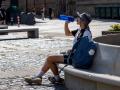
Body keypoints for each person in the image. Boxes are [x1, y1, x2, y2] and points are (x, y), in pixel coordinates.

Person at [24, 12, 92, 85]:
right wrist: (66, 23)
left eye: (79, 18)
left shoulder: (86, 33)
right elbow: (67, 33)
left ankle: (40, 77)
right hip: (74, 56)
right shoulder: (79, 30)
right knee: (50, 59)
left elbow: (84, 49)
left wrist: (72, 51)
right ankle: (50, 78)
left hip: (77, 59)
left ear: (83, 21)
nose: (76, 19)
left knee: (50, 58)